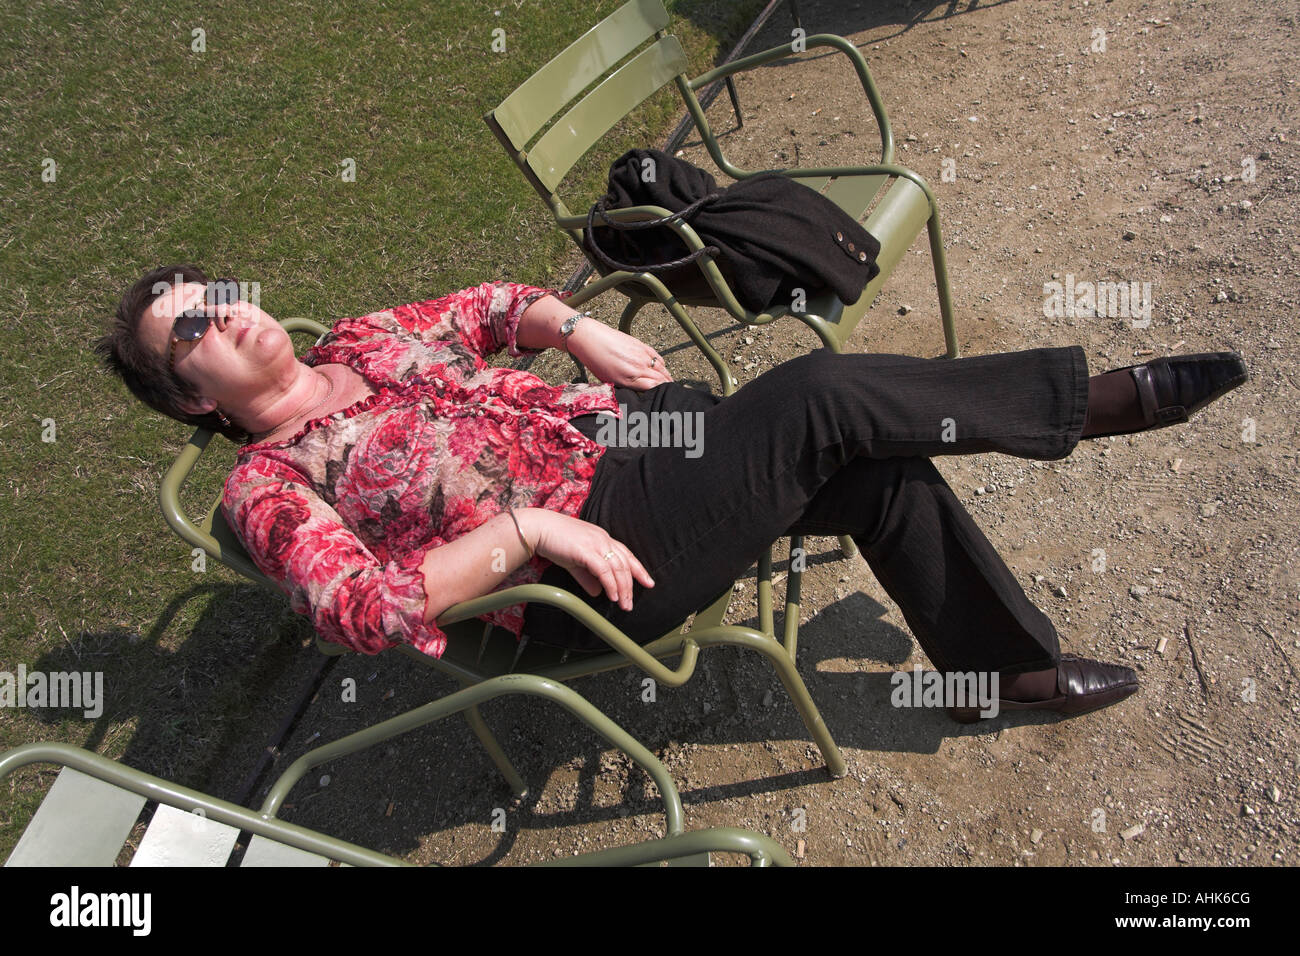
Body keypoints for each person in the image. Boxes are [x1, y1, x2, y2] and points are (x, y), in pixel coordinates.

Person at [96, 264, 1248, 722]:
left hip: (638, 441)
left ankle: (1002, 668)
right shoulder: (265, 483)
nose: (228, 312)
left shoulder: (361, 338)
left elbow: (495, 307)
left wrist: (579, 326)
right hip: (595, 553)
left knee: (872, 458)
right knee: (821, 397)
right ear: (189, 395)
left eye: (220, 289)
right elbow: (360, 605)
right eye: (192, 326)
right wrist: (525, 526)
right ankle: (1094, 401)